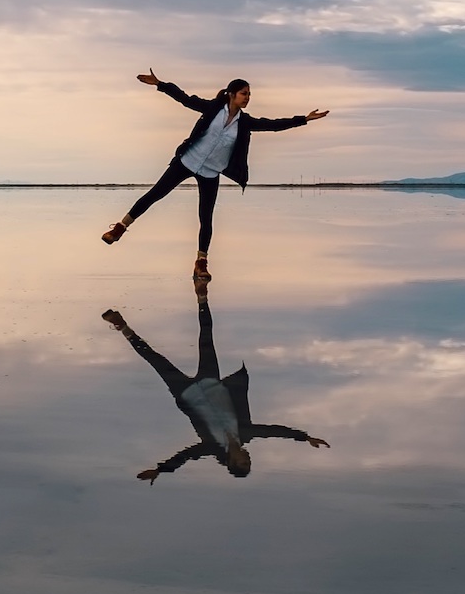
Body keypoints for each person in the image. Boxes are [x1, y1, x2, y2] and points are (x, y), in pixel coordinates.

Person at [102, 71, 328, 284]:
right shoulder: (212, 109)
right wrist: (160, 84)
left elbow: (273, 125)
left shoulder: (245, 122)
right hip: (188, 160)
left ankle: (201, 263)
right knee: (155, 195)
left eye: (249, 94)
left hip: (211, 171)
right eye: (244, 93)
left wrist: (303, 119)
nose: (247, 98)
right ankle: (119, 229)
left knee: (206, 217)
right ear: (232, 94)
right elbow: (185, 99)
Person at [101, 300, 328, 481]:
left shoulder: (210, 446)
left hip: (187, 393)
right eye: (248, 462)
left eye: (242, 463)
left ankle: (122, 326)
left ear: (230, 462)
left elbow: (186, 455)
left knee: (154, 359)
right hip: (211, 382)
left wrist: (162, 470)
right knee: (206, 337)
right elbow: (272, 431)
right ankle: (202, 296)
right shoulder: (246, 433)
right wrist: (304, 437)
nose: (247, 458)